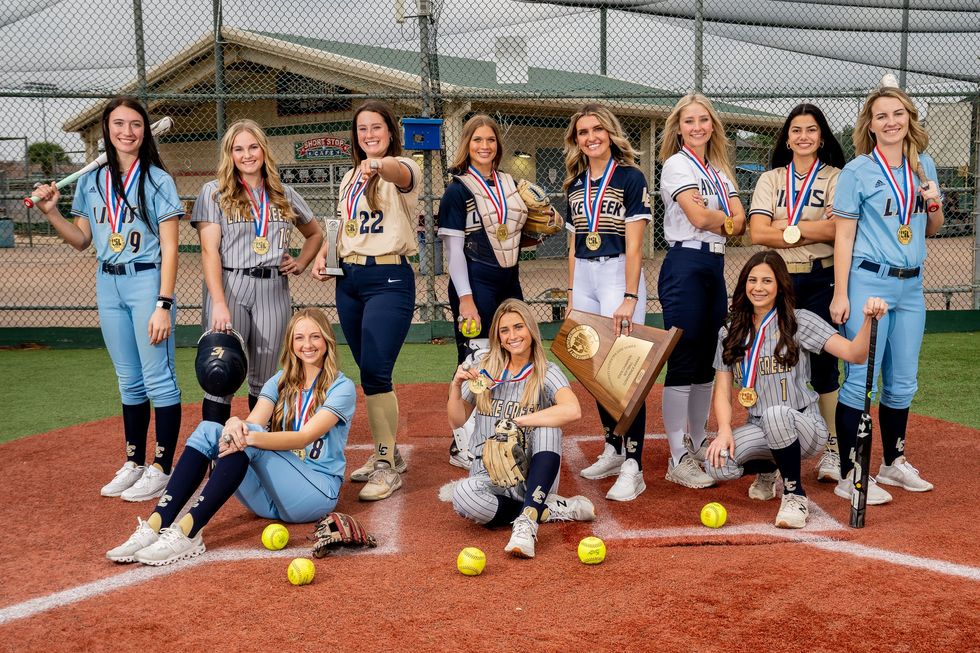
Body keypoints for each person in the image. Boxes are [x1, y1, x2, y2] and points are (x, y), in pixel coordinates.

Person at [107, 308, 356, 566]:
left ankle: (188, 531)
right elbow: (253, 423)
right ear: (291, 344)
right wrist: (235, 423)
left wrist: (246, 434)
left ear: (327, 340)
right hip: (269, 498)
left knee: (249, 439)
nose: (307, 345)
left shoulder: (342, 387)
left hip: (314, 494)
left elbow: (304, 437)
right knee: (210, 429)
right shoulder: (279, 381)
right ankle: (155, 524)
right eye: (299, 338)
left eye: (315, 337)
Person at [32, 97, 183, 502]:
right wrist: (51, 213)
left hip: (147, 282)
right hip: (108, 283)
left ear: (145, 131)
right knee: (129, 380)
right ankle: (134, 461)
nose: (128, 131)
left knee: (158, 380)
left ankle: (162, 466)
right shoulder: (91, 180)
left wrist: (163, 304)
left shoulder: (157, 180)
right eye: (119, 124)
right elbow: (82, 240)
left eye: (136, 124)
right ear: (107, 129)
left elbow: (170, 247)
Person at [706, 252, 886, 528]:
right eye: (752, 280)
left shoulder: (799, 320)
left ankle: (794, 494)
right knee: (716, 463)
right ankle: (769, 467)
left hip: (806, 425)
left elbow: (855, 354)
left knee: (777, 414)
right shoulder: (731, 332)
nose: (759, 287)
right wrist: (724, 431)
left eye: (767, 280)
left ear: (780, 285)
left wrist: (867, 320)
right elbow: (722, 390)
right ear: (744, 284)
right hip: (760, 425)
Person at [830, 84, 944, 503]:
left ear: (909, 118)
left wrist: (933, 203)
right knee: (860, 379)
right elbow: (844, 236)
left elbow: (933, 227)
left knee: (902, 382)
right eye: (882, 116)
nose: (891, 122)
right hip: (869, 282)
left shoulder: (923, 164)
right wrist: (841, 293)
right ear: (871, 125)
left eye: (898, 114)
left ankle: (892, 463)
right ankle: (849, 472)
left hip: (912, 284)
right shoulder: (857, 171)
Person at [311, 101, 421, 501]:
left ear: (390, 132)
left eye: (376, 128)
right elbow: (343, 226)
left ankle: (385, 464)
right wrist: (327, 253)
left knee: (376, 368)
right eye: (362, 130)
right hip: (351, 280)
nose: (369, 135)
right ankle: (388, 453)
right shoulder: (348, 179)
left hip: (389, 278)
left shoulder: (403, 168)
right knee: (371, 374)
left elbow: (400, 173)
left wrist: (378, 164)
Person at [192, 119, 323, 425]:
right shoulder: (214, 193)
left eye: (253, 147)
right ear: (230, 154)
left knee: (264, 380)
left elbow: (315, 234)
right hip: (230, 285)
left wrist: (302, 262)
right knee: (219, 376)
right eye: (238, 149)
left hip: (272, 289)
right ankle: (215, 455)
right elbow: (209, 250)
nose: (247, 155)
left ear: (264, 150)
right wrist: (219, 303)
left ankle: (257, 453)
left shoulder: (283, 193)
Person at [748, 104, 847, 483]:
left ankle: (834, 451)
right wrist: (808, 227)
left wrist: (785, 227)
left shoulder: (838, 177)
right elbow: (758, 233)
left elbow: (838, 230)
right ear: (786, 138)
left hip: (822, 279)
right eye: (796, 130)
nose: (803, 136)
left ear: (821, 136)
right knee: (771, 366)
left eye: (811, 130)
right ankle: (771, 457)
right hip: (778, 282)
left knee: (824, 366)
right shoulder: (772, 179)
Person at [449, 299, 592, 558]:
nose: (512, 336)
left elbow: (573, 410)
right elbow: (457, 420)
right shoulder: (484, 368)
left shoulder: (545, 372)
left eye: (518, 327)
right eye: (505, 330)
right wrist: (455, 386)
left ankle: (526, 522)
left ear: (531, 330)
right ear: (498, 336)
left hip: (531, 471)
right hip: (488, 471)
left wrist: (522, 421)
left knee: (548, 425)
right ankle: (544, 509)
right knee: (462, 496)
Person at [563, 103, 653, 501]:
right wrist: (570, 296)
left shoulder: (631, 178)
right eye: (583, 132)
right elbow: (572, 246)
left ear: (611, 133)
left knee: (626, 374)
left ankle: (635, 464)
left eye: (597, 129)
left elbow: (635, 246)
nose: (591, 137)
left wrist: (630, 296)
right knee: (596, 372)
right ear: (576, 140)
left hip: (619, 274)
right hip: (585, 276)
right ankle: (614, 449)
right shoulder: (574, 184)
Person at [657, 93, 746, 490]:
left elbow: (740, 223)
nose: (697, 127)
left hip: (714, 264)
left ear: (713, 126)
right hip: (685, 264)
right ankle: (677, 456)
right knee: (684, 357)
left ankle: (697, 441)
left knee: (709, 358)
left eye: (704, 120)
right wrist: (725, 218)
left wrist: (722, 220)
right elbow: (697, 216)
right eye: (689, 121)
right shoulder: (677, 164)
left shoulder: (719, 171)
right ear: (679, 128)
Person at [437, 114, 529, 468]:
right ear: (467, 145)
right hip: (475, 282)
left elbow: (519, 233)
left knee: (512, 354)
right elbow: (454, 252)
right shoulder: (457, 189)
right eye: (477, 140)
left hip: (510, 279)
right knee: (475, 362)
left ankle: (502, 432)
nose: (485, 146)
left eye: (490, 140)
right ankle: (463, 441)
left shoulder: (509, 182)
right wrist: (466, 299)